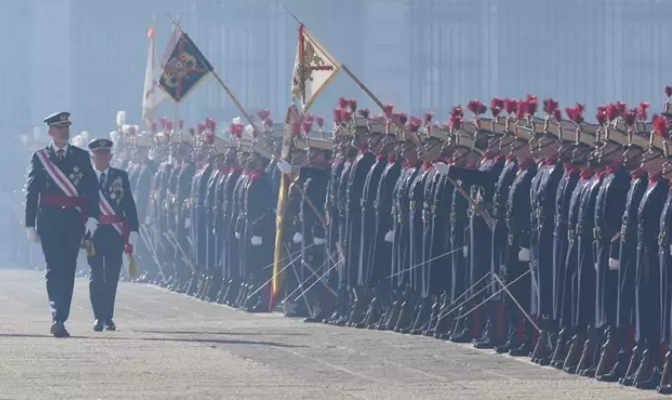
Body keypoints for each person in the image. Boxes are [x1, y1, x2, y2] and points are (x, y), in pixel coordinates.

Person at [24, 111, 100, 337]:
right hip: (48, 219)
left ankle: (61, 317)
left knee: (68, 269)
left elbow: (91, 190)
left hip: (72, 221)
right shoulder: (40, 157)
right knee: (53, 268)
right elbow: (32, 192)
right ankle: (57, 314)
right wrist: (29, 223)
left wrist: (93, 217)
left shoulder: (81, 156)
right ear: (50, 131)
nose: (64, 131)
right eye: (59, 127)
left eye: (66, 127)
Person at [86, 138, 139, 332]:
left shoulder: (120, 176)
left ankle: (108, 316)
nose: (102, 158)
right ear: (92, 157)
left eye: (105, 154)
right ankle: (98, 316)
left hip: (115, 232)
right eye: (98, 154)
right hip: (94, 231)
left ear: (110, 156)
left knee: (112, 275)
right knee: (96, 275)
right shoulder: (86, 177)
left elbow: (128, 204)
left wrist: (134, 229)